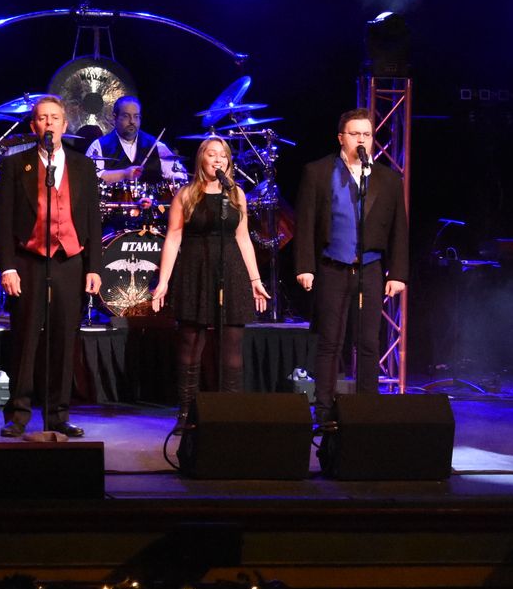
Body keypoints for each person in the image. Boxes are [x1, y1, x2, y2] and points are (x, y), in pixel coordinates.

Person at [0, 95, 103, 438]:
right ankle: (18, 414)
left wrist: (94, 267)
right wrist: (7, 267)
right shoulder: (16, 165)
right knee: (25, 337)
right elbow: (3, 220)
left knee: (64, 339)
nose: (49, 123)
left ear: (64, 124)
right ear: (34, 125)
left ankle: (58, 414)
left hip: (69, 259)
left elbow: (93, 219)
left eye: (55, 117)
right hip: (29, 260)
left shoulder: (83, 166)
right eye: (43, 118)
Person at [294, 108, 410, 426]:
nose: (361, 139)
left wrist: (398, 272)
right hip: (332, 265)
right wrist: (305, 266)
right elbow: (305, 223)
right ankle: (324, 409)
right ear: (341, 138)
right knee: (330, 341)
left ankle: (367, 409)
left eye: (367, 134)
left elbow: (399, 228)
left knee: (369, 342)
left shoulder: (388, 178)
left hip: (370, 267)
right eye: (355, 133)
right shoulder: (318, 172)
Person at [149, 137, 271, 432]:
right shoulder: (186, 194)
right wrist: (163, 281)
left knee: (232, 344)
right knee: (191, 342)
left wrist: (255, 279)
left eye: (223, 155)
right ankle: (186, 413)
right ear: (201, 159)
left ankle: (230, 411)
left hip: (231, 269)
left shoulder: (236, 193)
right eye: (212, 154)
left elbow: (243, 237)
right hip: (195, 269)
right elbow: (173, 237)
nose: (218, 160)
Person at [83, 96, 188, 187]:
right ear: (115, 117)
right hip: (113, 204)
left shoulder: (156, 146)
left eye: (136, 117)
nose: (132, 121)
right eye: (126, 116)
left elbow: (180, 176)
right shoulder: (99, 146)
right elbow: (89, 178)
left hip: (151, 204)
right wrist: (124, 174)